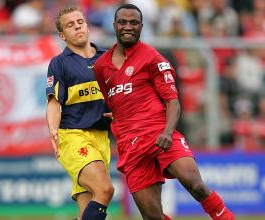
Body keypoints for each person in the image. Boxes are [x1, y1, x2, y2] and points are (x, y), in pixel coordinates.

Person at [94, 3, 235, 220]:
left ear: (142, 26)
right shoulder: (101, 66)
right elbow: (112, 100)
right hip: (131, 146)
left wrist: (168, 133)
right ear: (114, 25)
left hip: (160, 134)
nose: (128, 26)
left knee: (195, 185)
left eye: (134, 22)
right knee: (153, 217)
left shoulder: (152, 58)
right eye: (123, 22)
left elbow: (173, 101)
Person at [46, 6, 114, 220]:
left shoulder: (108, 58)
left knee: (88, 208)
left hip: (102, 138)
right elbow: (54, 102)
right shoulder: (59, 63)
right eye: (70, 25)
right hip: (74, 136)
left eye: (80, 22)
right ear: (62, 35)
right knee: (105, 190)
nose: (77, 27)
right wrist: (53, 130)